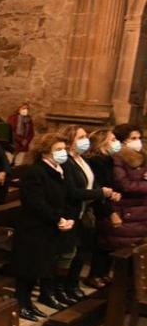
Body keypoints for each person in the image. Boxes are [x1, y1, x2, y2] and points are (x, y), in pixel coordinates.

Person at [12, 134, 73, 321]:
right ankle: (21, 304)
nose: (63, 153)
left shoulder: (57, 170)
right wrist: (58, 219)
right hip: (33, 227)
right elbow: (36, 203)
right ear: (45, 152)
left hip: (49, 227)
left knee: (40, 266)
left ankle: (29, 303)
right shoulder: (36, 172)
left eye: (64, 149)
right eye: (58, 149)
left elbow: (64, 197)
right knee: (28, 268)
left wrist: (66, 218)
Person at [58, 125, 117, 304]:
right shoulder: (66, 162)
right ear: (70, 141)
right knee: (66, 254)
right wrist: (101, 193)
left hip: (84, 213)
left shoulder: (82, 160)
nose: (86, 140)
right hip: (70, 212)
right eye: (81, 137)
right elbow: (72, 191)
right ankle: (59, 288)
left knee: (81, 253)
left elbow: (91, 183)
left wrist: (104, 191)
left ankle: (72, 285)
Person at [102, 124, 147, 255]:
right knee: (122, 252)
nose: (137, 141)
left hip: (140, 212)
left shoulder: (143, 156)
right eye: (133, 138)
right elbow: (125, 185)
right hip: (126, 212)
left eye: (139, 137)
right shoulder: (118, 158)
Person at [85, 129, 121, 287]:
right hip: (100, 205)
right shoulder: (96, 161)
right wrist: (110, 207)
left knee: (109, 241)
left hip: (108, 200)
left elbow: (111, 183)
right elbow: (98, 184)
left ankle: (103, 272)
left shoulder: (108, 159)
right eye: (112, 139)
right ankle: (95, 274)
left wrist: (114, 193)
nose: (116, 142)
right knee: (101, 242)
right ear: (102, 142)